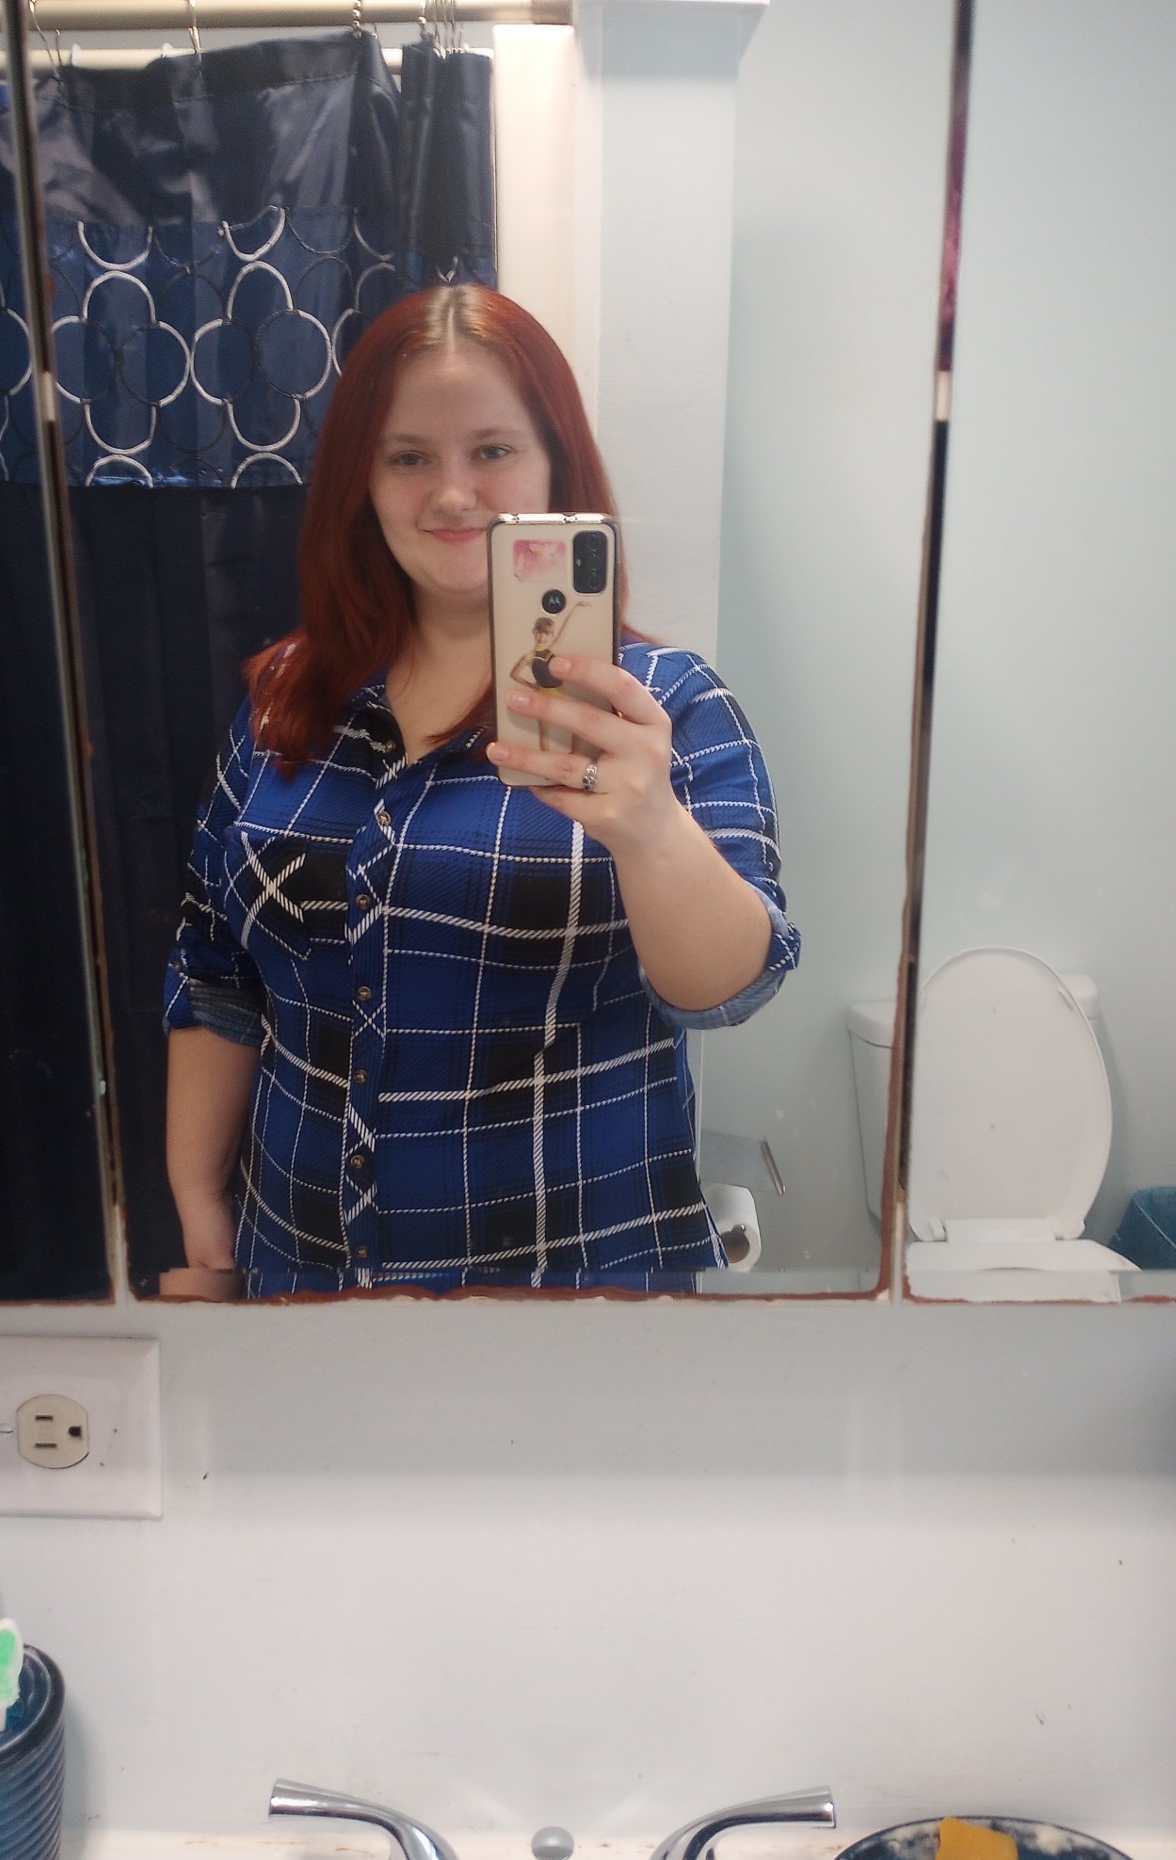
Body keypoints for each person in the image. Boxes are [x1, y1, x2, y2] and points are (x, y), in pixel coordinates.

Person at [163, 285, 798, 1285]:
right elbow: (214, 964)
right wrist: (200, 1203)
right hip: (299, 1283)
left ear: (554, 464)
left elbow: (730, 990)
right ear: (362, 482)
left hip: (571, 1300)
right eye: (409, 457)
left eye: (492, 450)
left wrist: (648, 829)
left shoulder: (664, 707)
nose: (453, 495)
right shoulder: (291, 694)